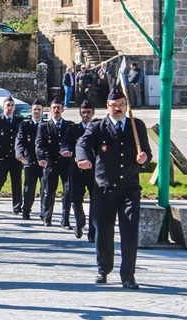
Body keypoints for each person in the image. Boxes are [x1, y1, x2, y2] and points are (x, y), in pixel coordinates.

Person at [76, 86, 152, 290]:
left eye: (121, 105)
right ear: (107, 106)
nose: (117, 109)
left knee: (129, 232)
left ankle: (128, 275)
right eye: (113, 105)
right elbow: (82, 144)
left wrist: (144, 159)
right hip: (105, 188)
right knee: (103, 230)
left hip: (129, 188)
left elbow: (146, 152)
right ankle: (103, 268)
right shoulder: (97, 127)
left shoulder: (137, 126)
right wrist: (82, 158)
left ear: (127, 106)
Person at [61, 100, 96, 241]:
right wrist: (65, 150)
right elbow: (65, 142)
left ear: (93, 113)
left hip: (94, 171)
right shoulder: (73, 129)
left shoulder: (97, 128)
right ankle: (80, 223)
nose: (86, 115)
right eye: (83, 112)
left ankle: (93, 232)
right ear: (80, 114)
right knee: (76, 200)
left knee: (95, 201)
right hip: (77, 170)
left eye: (88, 112)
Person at [36, 97, 73, 228]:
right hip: (50, 162)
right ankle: (47, 217)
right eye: (54, 108)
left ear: (62, 110)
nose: (56, 110)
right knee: (48, 191)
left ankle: (65, 220)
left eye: (58, 108)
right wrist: (41, 158)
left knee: (68, 192)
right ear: (50, 110)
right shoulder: (44, 126)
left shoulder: (69, 126)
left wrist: (71, 152)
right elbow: (39, 144)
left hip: (66, 163)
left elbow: (74, 143)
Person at [0, 94, 23, 214]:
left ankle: (17, 207)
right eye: (8, 105)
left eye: (12, 105)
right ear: (3, 106)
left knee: (17, 182)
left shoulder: (19, 120)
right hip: (1, 156)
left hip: (15, 157)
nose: (10, 108)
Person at [16, 98, 45, 220]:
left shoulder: (46, 125)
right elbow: (20, 141)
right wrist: (19, 153)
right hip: (30, 160)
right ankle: (26, 210)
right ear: (31, 111)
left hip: (44, 162)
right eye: (35, 110)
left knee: (45, 188)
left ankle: (44, 212)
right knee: (29, 188)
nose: (37, 112)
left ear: (42, 111)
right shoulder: (25, 125)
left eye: (39, 110)